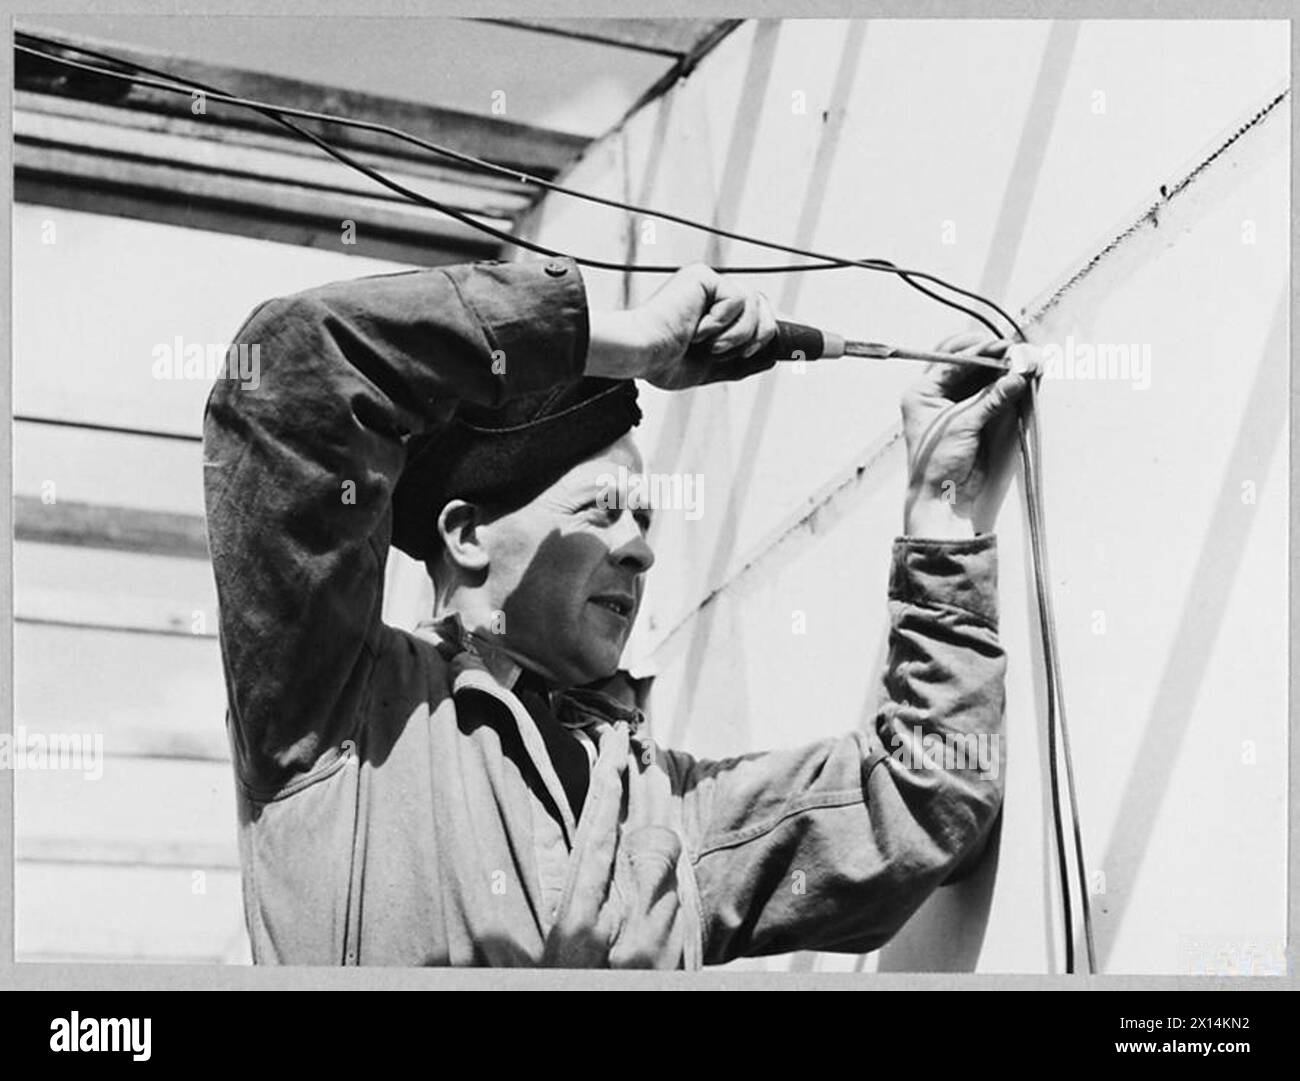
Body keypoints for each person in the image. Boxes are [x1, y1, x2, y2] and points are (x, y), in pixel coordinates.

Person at [203, 256, 1032, 967]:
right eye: (604, 511)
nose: (641, 549)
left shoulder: (669, 815)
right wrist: (624, 341)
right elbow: (290, 366)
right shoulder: (340, 711)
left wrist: (940, 506)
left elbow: (923, 798)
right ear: (466, 535)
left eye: (645, 519)